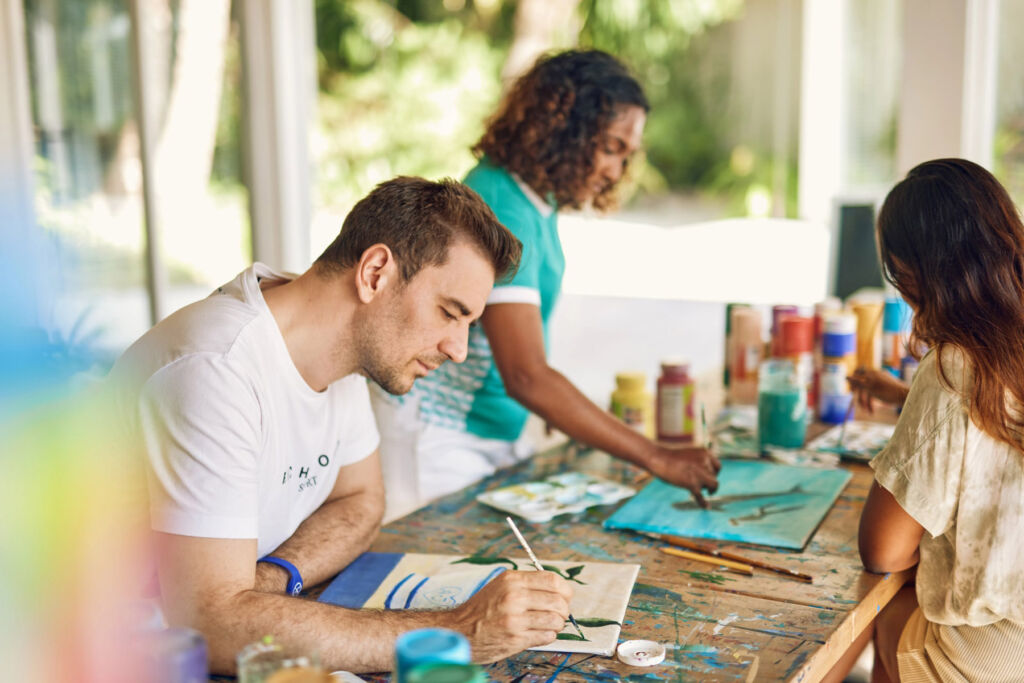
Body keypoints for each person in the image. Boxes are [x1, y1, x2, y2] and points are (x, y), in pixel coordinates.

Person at [107, 177, 575, 674]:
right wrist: (459, 630)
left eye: (468, 324)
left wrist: (270, 580)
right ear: (375, 273)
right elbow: (210, 623)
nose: (458, 349)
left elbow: (362, 501)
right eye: (449, 313)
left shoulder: (342, 350)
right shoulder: (214, 368)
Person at [372, 50, 720, 520]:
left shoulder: (534, 200)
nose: (616, 172)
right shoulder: (502, 203)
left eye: (627, 156)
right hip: (440, 437)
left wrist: (561, 412)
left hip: (489, 432)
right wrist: (657, 456)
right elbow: (526, 374)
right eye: (612, 148)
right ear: (566, 128)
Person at [857, 159, 1024, 682]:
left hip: (995, 656)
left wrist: (925, 401)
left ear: (919, 276)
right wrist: (910, 399)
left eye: (901, 278)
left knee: (877, 598)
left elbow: (882, 548)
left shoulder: (957, 365)